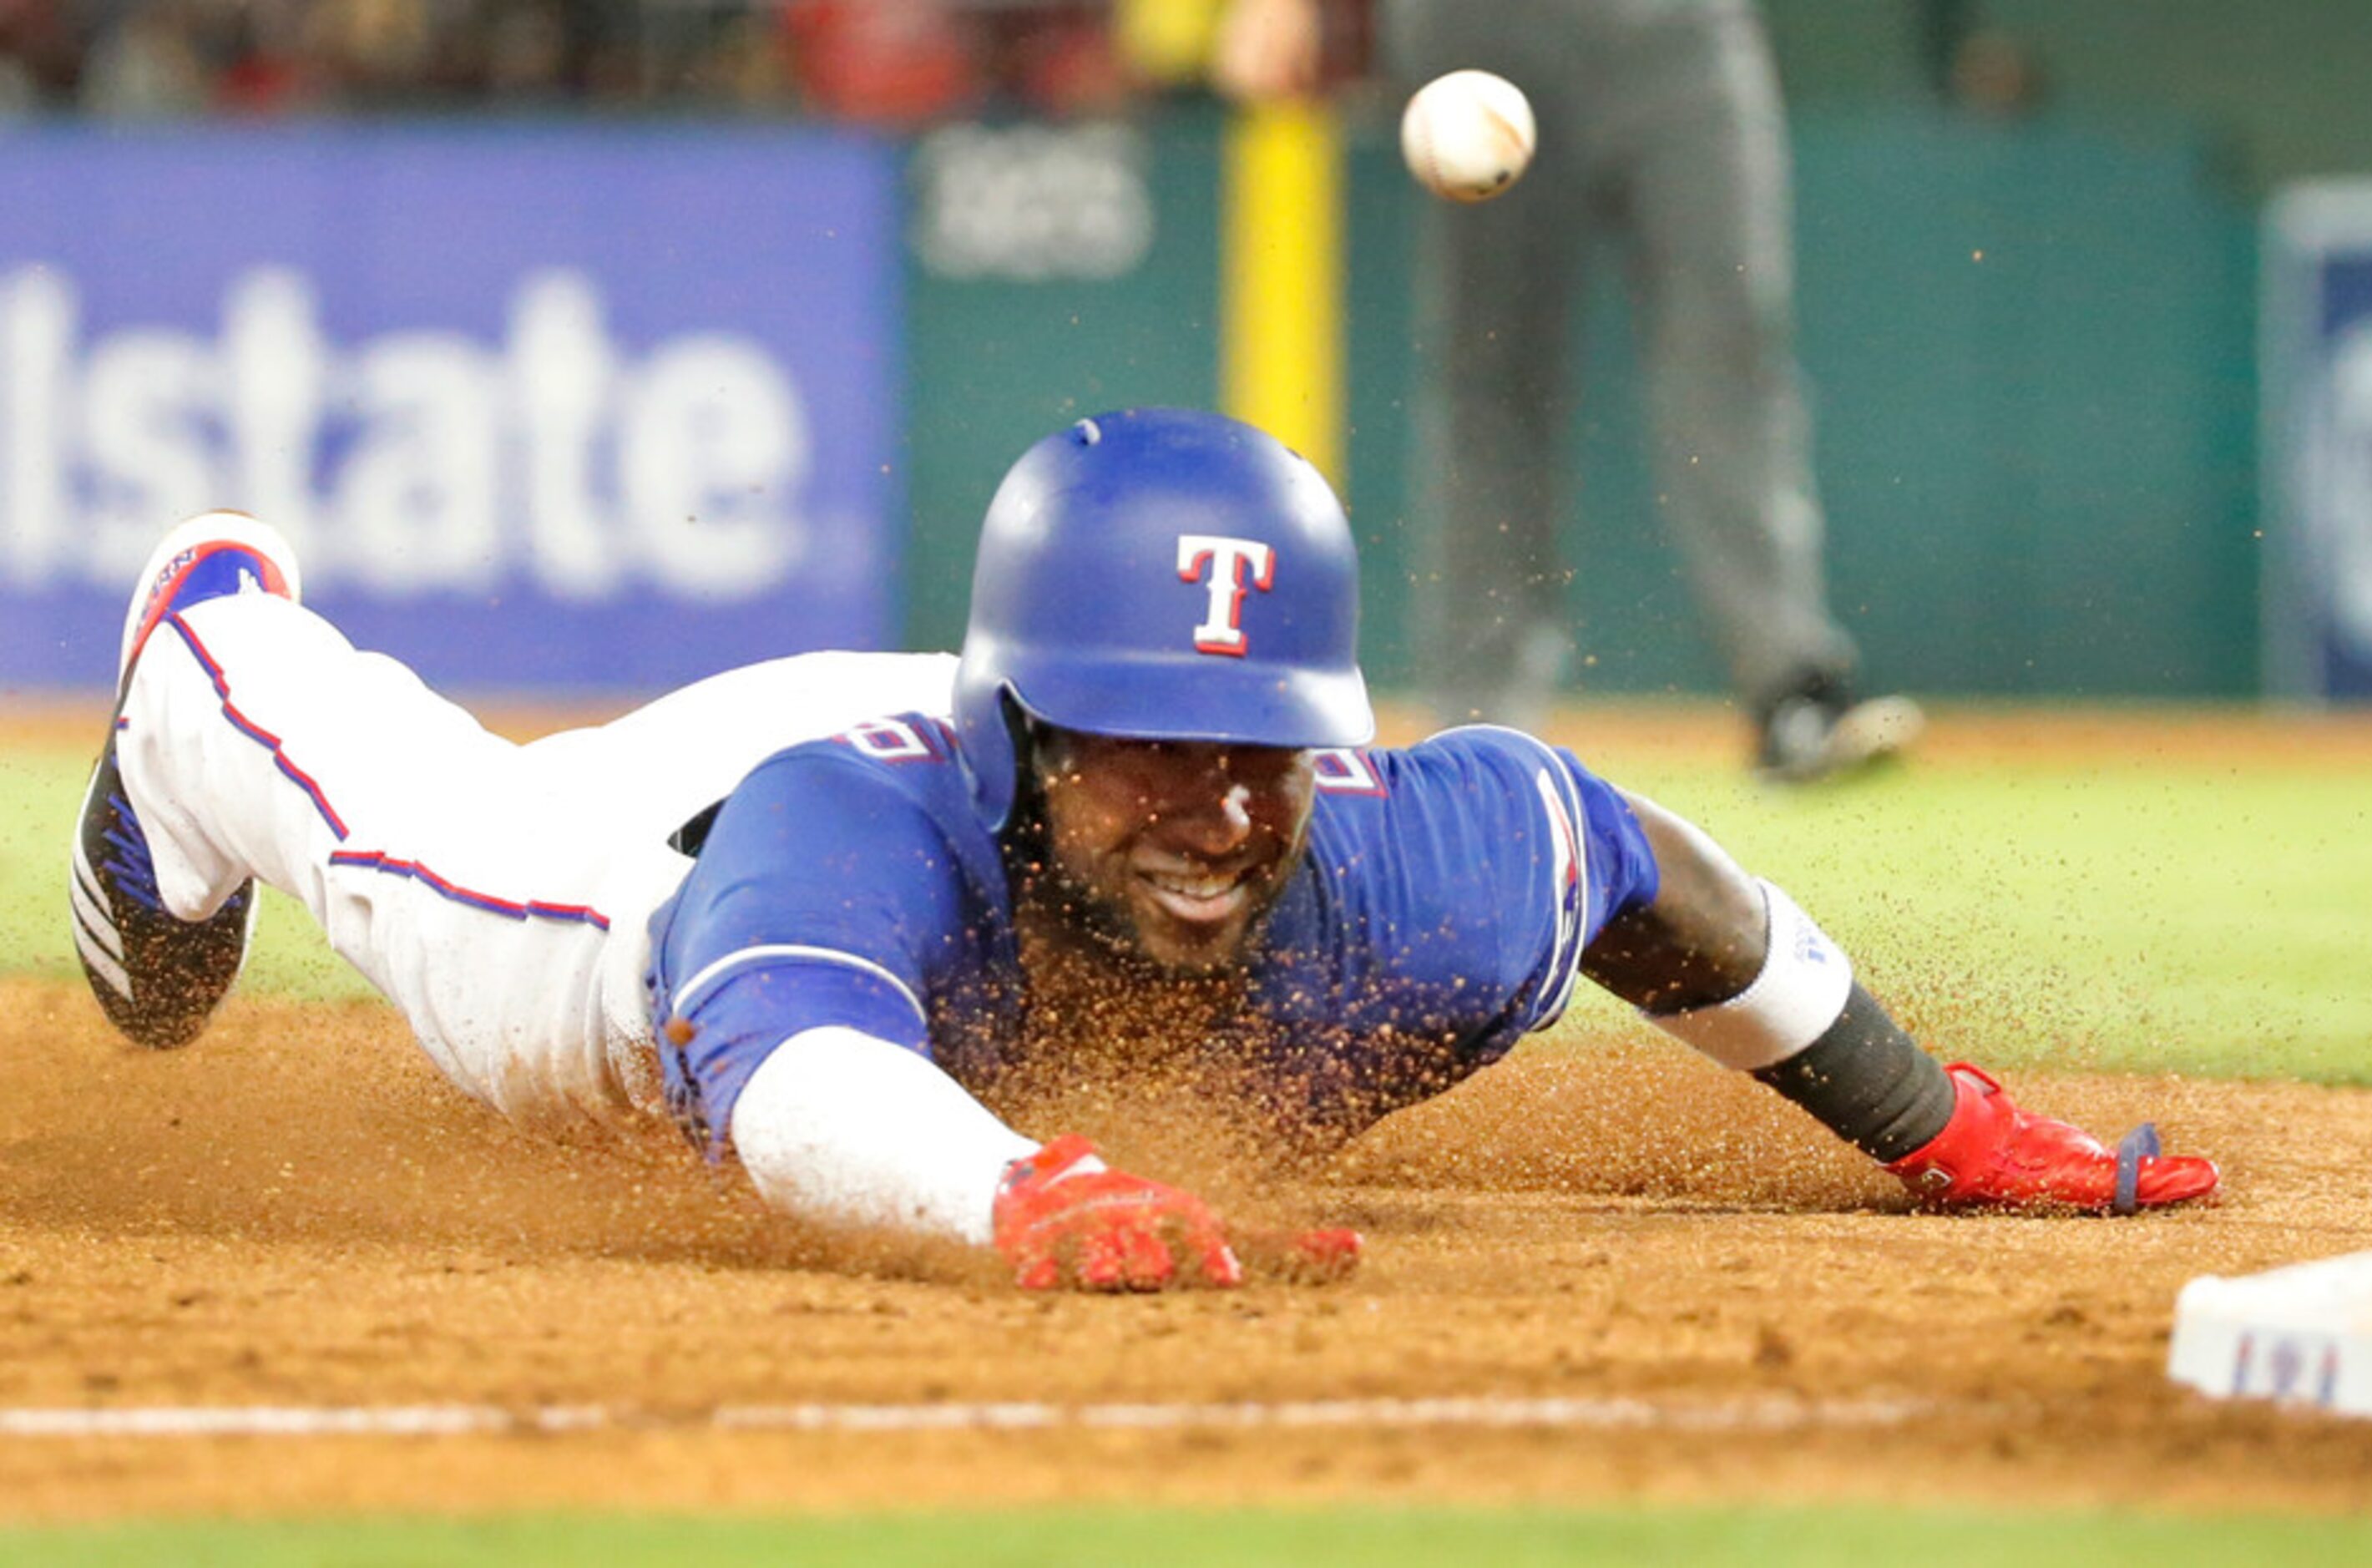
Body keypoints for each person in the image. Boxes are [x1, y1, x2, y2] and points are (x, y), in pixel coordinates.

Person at [69, 408, 2213, 1294]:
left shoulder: (1399, 868)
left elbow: (1634, 863)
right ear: (1035, 735)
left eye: (1262, 752)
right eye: (1152, 751)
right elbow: (805, 1080)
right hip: (663, 874)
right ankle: (203, 652)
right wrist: (1015, 1189)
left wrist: (1935, 1125)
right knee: (407, 845)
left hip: (978, 730)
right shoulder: (850, 827)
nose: (1220, 806)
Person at [1216, 0, 1922, 781]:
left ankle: (1793, 690)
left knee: (1731, 343)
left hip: (1683, 28)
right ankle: (1482, 729)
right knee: (1492, 377)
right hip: (1488, 32)